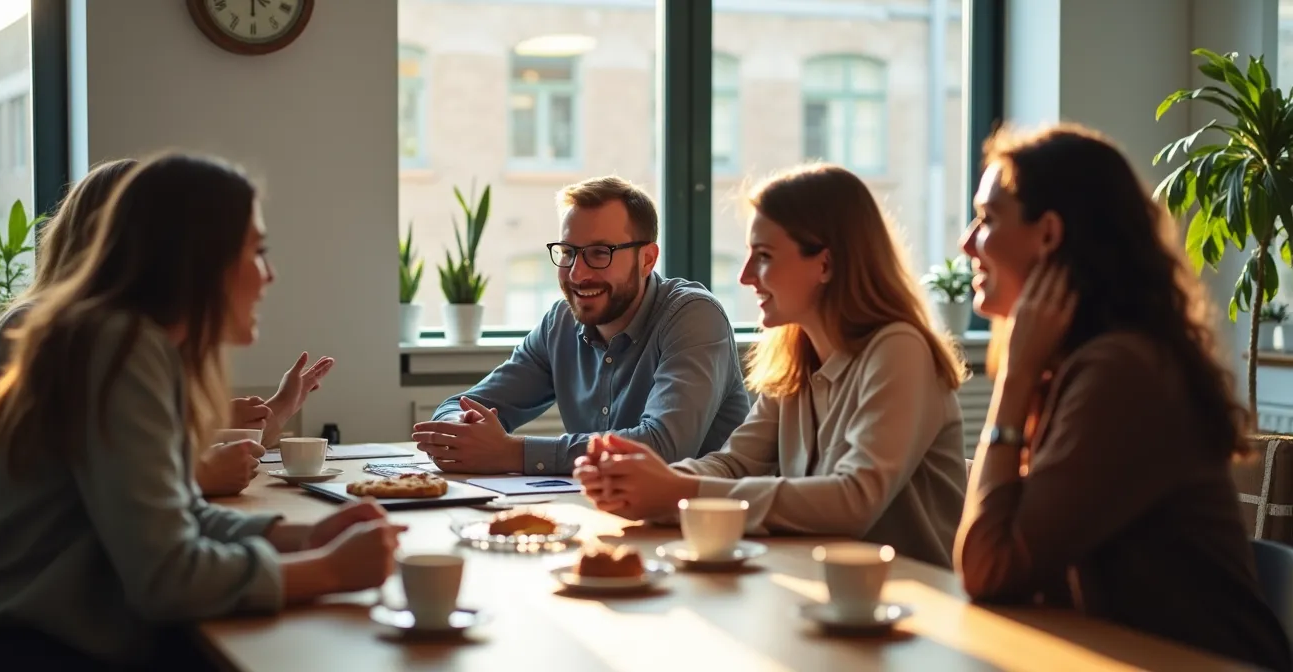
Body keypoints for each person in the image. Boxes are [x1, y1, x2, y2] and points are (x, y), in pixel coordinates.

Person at [0, 154, 402, 669]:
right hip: (41, 650)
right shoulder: (116, 345)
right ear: (199, 257)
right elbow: (168, 578)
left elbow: (178, 515)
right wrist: (330, 570)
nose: (269, 275)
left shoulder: (123, 341)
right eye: (258, 250)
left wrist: (302, 536)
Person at [953, 123, 1291, 669]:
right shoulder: (1078, 364)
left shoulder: (1120, 371)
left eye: (988, 218)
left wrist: (1013, 378)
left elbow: (988, 567)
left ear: (1048, 234)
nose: (968, 242)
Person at [575, 164, 968, 567]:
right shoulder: (796, 354)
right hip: (819, 586)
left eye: (763, 256)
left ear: (826, 264)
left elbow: (854, 501)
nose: (746, 276)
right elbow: (735, 463)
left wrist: (676, 491)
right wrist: (642, 482)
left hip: (917, 604)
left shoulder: (899, 349)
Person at [0, 158, 334, 497]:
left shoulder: (135, 340)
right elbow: (104, 485)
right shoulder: (42, 330)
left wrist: (272, 410)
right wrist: (198, 474)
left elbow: (139, 459)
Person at [411, 176, 750, 475]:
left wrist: (511, 452)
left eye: (600, 253)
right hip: (605, 516)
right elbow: (464, 404)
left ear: (647, 259)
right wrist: (463, 432)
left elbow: (663, 446)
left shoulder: (694, 317)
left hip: (702, 529)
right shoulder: (559, 324)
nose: (578, 273)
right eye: (569, 252)